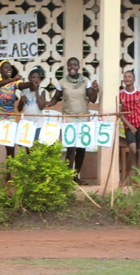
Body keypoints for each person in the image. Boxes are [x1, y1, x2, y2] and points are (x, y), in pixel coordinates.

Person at [47, 57, 99, 185]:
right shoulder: (62, 82)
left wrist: (95, 90)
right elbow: (56, 98)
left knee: (81, 148)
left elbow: (92, 99)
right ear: (67, 67)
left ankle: (76, 177)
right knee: (71, 148)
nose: (72, 67)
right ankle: (68, 177)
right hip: (68, 118)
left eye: (75, 65)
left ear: (79, 67)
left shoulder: (85, 81)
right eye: (70, 65)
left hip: (83, 118)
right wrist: (49, 104)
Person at [0, 60, 22, 173]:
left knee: (10, 147)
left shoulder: (14, 83)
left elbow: (22, 85)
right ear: (0, 70)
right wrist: (12, 79)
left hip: (9, 118)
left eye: (10, 67)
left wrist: (33, 82)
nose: (9, 69)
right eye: (6, 67)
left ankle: (8, 174)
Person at [119, 70, 140, 186]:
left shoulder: (139, 91)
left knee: (139, 151)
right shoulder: (120, 94)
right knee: (132, 150)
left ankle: (139, 178)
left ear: (133, 80)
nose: (127, 78)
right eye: (125, 76)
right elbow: (120, 113)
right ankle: (126, 177)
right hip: (129, 125)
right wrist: (130, 126)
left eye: (130, 77)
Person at [18, 67, 49, 142]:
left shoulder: (42, 91)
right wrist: (22, 101)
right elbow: (19, 109)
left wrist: (36, 91)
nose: (36, 80)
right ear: (29, 78)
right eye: (33, 77)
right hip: (27, 124)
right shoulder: (24, 91)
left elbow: (41, 107)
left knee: (36, 146)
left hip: (38, 125)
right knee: (28, 147)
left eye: (38, 78)